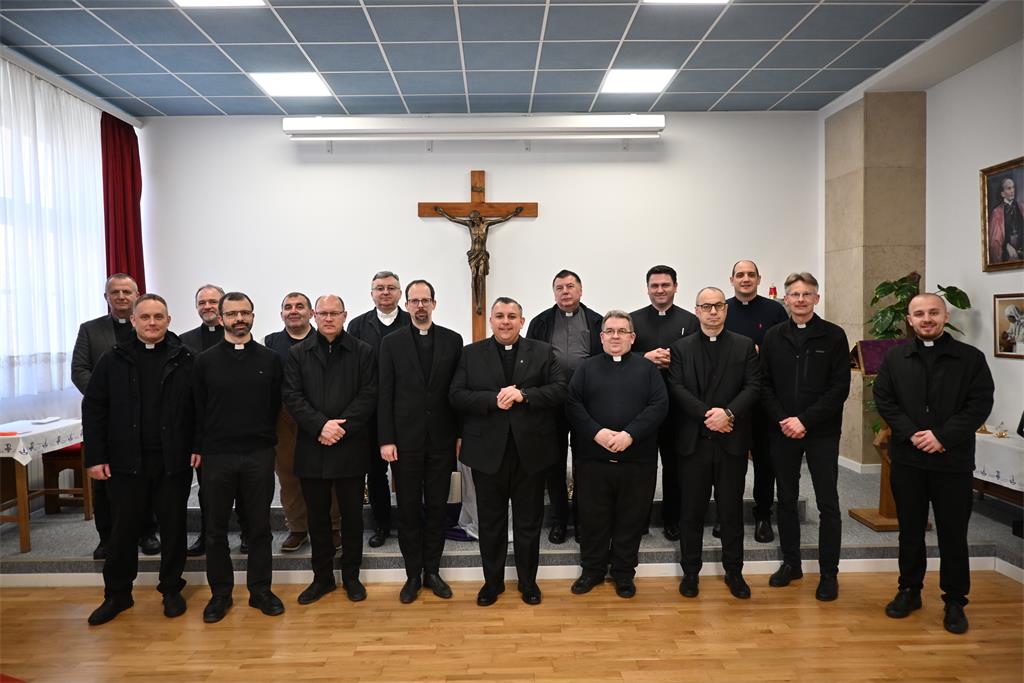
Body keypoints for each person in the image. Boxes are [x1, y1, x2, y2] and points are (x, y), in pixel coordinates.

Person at [873, 293, 994, 634]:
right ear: (909, 320)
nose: (926, 319)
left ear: (945, 317)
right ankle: (909, 591)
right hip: (908, 459)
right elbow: (884, 399)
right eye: (919, 314)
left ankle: (955, 601)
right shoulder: (895, 357)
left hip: (951, 460)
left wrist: (942, 436)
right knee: (910, 531)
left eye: (933, 312)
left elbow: (979, 403)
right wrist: (911, 433)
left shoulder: (970, 359)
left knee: (953, 534)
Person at [81, 294, 197, 625]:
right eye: (145, 317)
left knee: (173, 527)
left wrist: (198, 445)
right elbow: (94, 408)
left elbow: (200, 408)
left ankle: (171, 588)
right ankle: (118, 594)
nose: (152, 323)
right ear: (133, 321)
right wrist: (96, 457)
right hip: (125, 461)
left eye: (159, 317)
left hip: (172, 460)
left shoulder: (186, 358)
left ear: (168, 320)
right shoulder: (113, 359)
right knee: (123, 529)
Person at [450, 297, 568, 607]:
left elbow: (560, 389)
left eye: (512, 316)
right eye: (500, 316)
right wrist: (493, 400)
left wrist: (524, 395)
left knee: (529, 523)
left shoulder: (542, 352)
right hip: (488, 454)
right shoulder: (470, 354)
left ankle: (528, 583)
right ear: (491, 320)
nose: (505, 321)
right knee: (491, 524)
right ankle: (493, 583)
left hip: (531, 453)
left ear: (522, 321)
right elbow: (457, 395)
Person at [193, 292, 285, 624]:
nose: (239, 319)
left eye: (245, 312)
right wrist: (200, 447)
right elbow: (198, 408)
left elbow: (275, 405)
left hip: (258, 453)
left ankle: (261, 591)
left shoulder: (271, 359)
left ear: (253, 317)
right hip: (217, 456)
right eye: (232, 314)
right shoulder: (204, 361)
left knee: (259, 527)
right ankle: (220, 594)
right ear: (221, 319)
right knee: (215, 529)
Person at [760, 272, 850, 602]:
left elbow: (839, 387)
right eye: (794, 294)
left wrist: (804, 420)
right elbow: (764, 383)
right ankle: (791, 563)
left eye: (806, 294)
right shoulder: (773, 336)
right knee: (785, 498)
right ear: (785, 299)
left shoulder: (834, 336)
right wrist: (784, 420)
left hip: (821, 431)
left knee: (828, 502)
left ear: (816, 298)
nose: (800, 300)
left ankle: (829, 573)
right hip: (782, 430)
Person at [566, 310, 667, 599]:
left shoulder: (647, 370)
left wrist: (629, 434)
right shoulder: (586, 368)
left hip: (637, 460)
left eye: (622, 331)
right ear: (601, 337)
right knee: (592, 519)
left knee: (630, 520)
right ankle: (592, 571)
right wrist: (597, 433)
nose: (615, 336)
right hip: (592, 460)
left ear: (632, 338)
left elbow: (659, 406)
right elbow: (572, 404)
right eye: (609, 331)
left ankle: (623, 573)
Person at [668, 288, 762, 600]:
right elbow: (676, 388)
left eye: (718, 306)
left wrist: (728, 414)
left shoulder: (744, 345)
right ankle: (690, 573)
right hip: (693, 443)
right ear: (696, 310)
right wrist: (709, 416)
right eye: (706, 306)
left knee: (731, 512)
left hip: (731, 443)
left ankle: (734, 571)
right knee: (691, 512)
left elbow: (754, 386)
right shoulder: (680, 348)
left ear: (726, 309)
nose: (712, 311)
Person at [283, 295, 377, 605]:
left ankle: (351, 576)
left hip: (350, 446)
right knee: (318, 518)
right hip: (313, 445)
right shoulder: (298, 353)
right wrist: (321, 426)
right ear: (313, 315)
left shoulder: (363, 351)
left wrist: (339, 428)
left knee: (352, 517)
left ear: (344, 315)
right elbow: (292, 396)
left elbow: (369, 395)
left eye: (334, 313)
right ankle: (321, 578)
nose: (328, 318)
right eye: (322, 313)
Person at [378, 280, 463, 603]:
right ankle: (413, 574)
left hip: (442, 441)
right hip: (405, 442)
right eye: (414, 301)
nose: (420, 306)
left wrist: (459, 434)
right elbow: (385, 394)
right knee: (409, 510)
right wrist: (386, 439)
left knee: (438, 508)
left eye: (425, 300)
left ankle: (433, 571)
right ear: (407, 305)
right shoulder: (391, 343)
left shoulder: (453, 341)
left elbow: (458, 392)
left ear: (434, 304)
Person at [71, 273, 159, 559]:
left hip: (144, 420)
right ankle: (107, 538)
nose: (121, 296)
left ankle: (147, 532)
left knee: (146, 478)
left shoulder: (148, 327)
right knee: (104, 482)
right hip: (107, 421)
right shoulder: (90, 330)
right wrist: (107, 398)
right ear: (106, 296)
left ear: (137, 295)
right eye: (115, 292)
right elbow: (79, 370)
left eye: (127, 292)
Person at [525, 269, 602, 544]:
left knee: (585, 463)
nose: (565, 292)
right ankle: (559, 520)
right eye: (559, 287)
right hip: (551, 404)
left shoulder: (597, 321)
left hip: (586, 403)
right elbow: (531, 362)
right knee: (553, 463)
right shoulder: (540, 322)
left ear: (580, 290)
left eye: (570, 286)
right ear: (554, 292)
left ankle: (582, 520)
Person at [264, 292, 341, 553]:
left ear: (311, 313)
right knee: (289, 476)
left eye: (300, 306)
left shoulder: (324, 339)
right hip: (284, 420)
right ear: (281, 314)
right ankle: (297, 528)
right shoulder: (270, 343)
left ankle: (333, 526)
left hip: (321, 418)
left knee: (328, 475)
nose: (293, 311)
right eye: (288, 307)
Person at [630, 265, 699, 542]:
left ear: (675, 287)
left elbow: (698, 358)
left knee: (675, 467)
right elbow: (621, 356)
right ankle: (639, 521)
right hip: (642, 407)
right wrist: (645, 358)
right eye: (654, 285)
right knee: (642, 468)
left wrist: (676, 361)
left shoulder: (690, 321)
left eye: (665, 285)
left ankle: (673, 519)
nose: (660, 290)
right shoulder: (633, 320)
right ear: (647, 288)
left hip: (677, 408)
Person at [180, 284, 248, 557]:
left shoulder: (238, 335)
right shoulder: (183, 341)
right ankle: (207, 535)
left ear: (222, 309)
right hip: (205, 429)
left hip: (240, 426)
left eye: (213, 301)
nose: (207, 306)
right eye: (202, 302)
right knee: (207, 489)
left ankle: (247, 533)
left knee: (244, 488)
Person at [724, 260, 789, 543]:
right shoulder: (723, 309)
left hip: (764, 399)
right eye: (740, 275)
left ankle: (763, 515)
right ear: (732, 280)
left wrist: (763, 352)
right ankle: (728, 515)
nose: (746, 279)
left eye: (751, 274)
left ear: (759, 279)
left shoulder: (775, 310)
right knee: (731, 463)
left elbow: (785, 349)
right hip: (732, 398)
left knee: (765, 461)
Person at [347, 271, 410, 549]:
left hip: (405, 412)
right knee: (375, 474)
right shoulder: (358, 325)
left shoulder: (411, 321)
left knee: (406, 474)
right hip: (370, 413)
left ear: (399, 293)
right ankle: (381, 524)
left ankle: (408, 525)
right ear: (371, 293)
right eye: (380, 288)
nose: (385, 292)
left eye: (391, 288)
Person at [988, 177, 1023, 264]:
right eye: (1009, 188)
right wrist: (1005, 246)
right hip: (1007, 256)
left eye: (1013, 187)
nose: (1012, 191)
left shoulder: (1022, 207)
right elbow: (994, 242)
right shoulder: (996, 212)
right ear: (1002, 194)